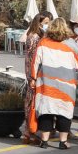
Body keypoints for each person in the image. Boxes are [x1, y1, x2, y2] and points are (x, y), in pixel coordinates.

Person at [30, 18, 78, 149]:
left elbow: (35, 61)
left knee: (46, 110)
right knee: (64, 111)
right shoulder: (71, 43)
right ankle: (63, 142)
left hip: (46, 82)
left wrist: (33, 78)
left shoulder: (43, 42)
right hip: (67, 83)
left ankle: (44, 141)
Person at [23, 11, 53, 143]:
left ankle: (29, 132)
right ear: (39, 23)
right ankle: (31, 131)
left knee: (31, 102)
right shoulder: (35, 37)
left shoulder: (32, 35)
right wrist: (33, 77)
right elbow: (34, 58)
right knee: (33, 103)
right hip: (35, 74)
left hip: (33, 74)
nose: (48, 25)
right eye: (46, 23)